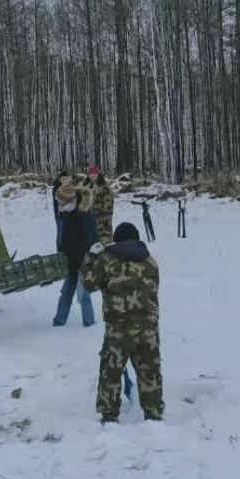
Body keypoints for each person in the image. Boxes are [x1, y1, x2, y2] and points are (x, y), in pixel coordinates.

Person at [81, 222, 163, 423]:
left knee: (111, 372)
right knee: (149, 371)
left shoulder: (108, 260)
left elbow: (89, 283)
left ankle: (109, 416)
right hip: (148, 327)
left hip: (119, 328)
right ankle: (153, 414)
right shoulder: (150, 261)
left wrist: (91, 257)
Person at [53, 196, 98, 327]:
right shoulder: (66, 216)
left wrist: (86, 260)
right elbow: (63, 239)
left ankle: (89, 322)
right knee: (66, 293)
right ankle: (59, 321)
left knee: (83, 294)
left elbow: (90, 239)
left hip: (83, 261)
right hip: (70, 261)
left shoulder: (84, 216)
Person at [82, 165, 115, 244]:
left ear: (98, 174)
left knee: (104, 243)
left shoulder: (104, 186)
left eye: (94, 174)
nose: (92, 175)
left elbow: (109, 205)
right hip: (88, 221)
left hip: (102, 222)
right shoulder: (85, 186)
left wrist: (102, 217)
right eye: (90, 174)